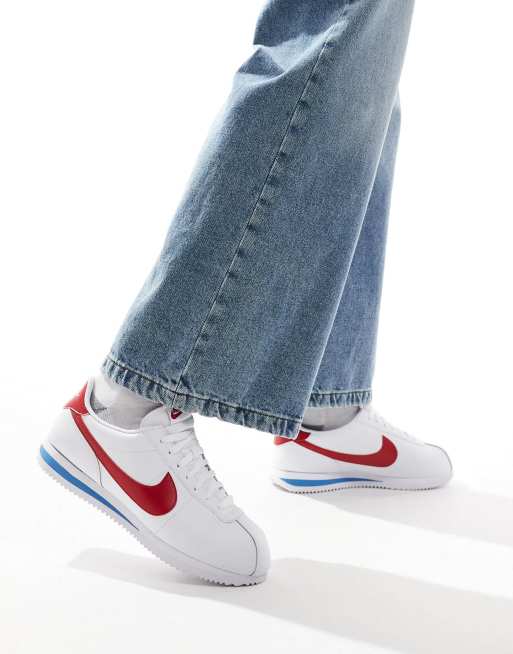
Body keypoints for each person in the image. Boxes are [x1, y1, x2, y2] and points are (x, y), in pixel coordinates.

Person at [39, 0, 451, 586]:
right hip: (126, 415)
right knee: (331, 29)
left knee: (364, 57)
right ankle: (126, 410)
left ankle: (324, 411)